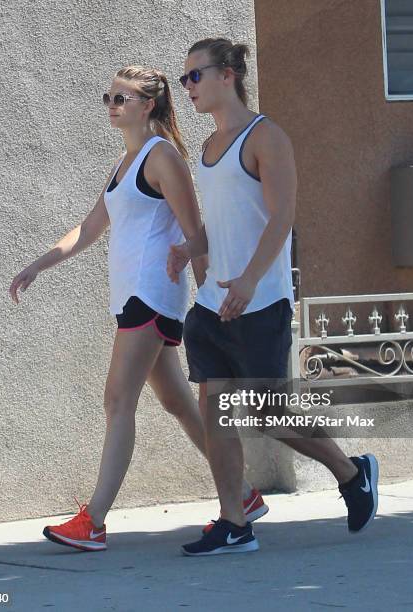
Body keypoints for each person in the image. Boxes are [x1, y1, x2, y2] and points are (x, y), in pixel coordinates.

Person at [9, 65, 267, 552]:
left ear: (149, 105)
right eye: (107, 97)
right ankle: (244, 495)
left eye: (121, 98)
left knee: (117, 399)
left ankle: (95, 521)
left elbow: (195, 234)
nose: (111, 104)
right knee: (177, 403)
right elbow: (89, 228)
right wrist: (38, 265)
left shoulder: (162, 157)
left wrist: (210, 302)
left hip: (153, 297)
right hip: (131, 298)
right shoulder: (124, 163)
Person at [168, 38, 379, 556]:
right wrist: (189, 248)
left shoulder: (267, 138)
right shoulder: (208, 149)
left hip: (259, 301)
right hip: (213, 306)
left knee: (267, 414)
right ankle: (234, 523)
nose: (188, 87)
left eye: (195, 76)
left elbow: (281, 218)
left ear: (227, 75)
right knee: (215, 409)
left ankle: (351, 473)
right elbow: (224, 225)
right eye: (184, 78)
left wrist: (247, 280)